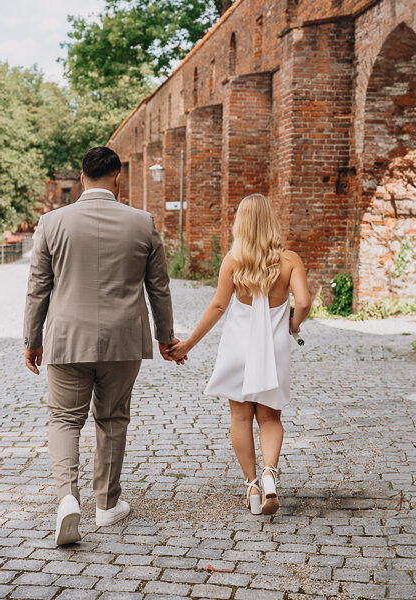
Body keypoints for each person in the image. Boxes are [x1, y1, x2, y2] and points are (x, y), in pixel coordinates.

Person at [23, 146, 182, 545]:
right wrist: (166, 337)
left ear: (81, 179)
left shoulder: (51, 222)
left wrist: (32, 339)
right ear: (118, 179)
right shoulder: (142, 222)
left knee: (63, 420)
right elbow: (158, 288)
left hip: (66, 338)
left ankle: (67, 500)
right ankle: (108, 504)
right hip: (123, 340)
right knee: (112, 418)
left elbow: (38, 288)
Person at [168, 193, 311, 515]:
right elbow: (303, 302)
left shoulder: (233, 259)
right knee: (270, 416)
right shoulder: (290, 260)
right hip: (273, 347)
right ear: (272, 221)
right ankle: (270, 474)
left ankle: (251, 487)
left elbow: (219, 305)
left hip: (237, 347)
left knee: (241, 417)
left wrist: (188, 344)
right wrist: (293, 325)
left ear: (241, 224)